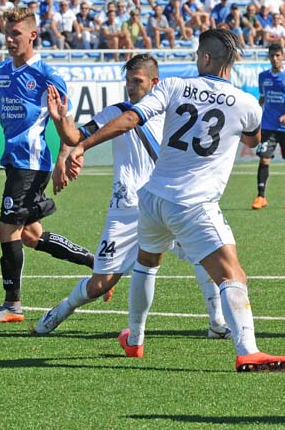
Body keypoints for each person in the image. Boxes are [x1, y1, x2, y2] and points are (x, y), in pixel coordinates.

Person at [65, 28, 285, 373]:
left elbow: (131, 118)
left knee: (147, 263)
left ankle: (135, 339)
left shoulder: (173, 85)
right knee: (232, 273)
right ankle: (248, 350)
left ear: (205, 57)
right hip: (193, 202)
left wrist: (82, 146)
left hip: (153, 197)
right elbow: (253, 141)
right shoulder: (247, 103)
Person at [36, 54, 231, 339]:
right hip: (127, 208)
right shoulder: (117, 112)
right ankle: (62, 310)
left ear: (155, 82)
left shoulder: (174, 113)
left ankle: (217, 323)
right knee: (100, 283)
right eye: (128, 81)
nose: (130, 86)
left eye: (137, 81)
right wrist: (60, 119)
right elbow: (75, 137)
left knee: (206, 255)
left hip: (169, 200)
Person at [0, 7, 95, 323]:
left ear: (33, 35)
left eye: (16, 34)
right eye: (7, 33)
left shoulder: (47, 75)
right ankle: (94, 262)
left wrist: (64, 159)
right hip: (15, 160)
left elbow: (67, 124)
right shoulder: (0, 71)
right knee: (31, 235)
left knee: (7, 229)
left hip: (30, 162)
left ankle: (12, 305)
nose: (9, 39)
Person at [251, 43, 285, 211]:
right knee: (264, 158)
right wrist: (256, 113)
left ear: (283, 56)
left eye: (277, 55)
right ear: (268, 57)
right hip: (268, 125)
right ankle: (261, 196)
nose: (275, 59)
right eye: (272, 55)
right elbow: (262, 98)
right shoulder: (263, 76)